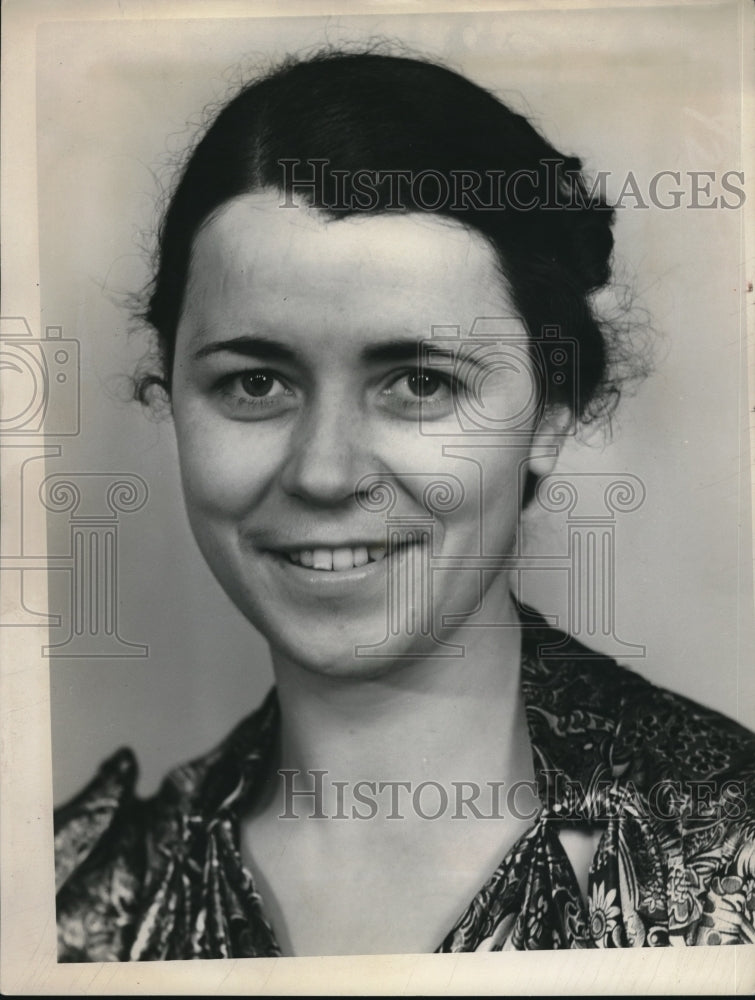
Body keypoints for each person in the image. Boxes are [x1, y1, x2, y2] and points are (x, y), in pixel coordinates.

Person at [53, 48, 755, 960]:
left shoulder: (731, 854)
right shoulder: (79, 911)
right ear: (171, 398)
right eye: (256, 382)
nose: (324, 471)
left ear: (550, 414)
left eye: (419, 382)